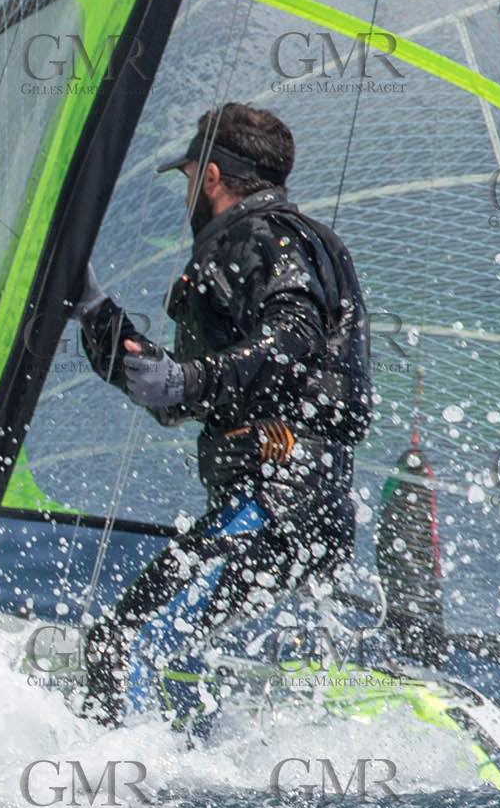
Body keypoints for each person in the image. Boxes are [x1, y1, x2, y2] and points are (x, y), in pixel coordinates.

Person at [73, 102, 372, 728]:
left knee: (122, 644)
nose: (186, 193)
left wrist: (188, 378)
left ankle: (112, 778)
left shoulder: (264, 236)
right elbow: (182, 395)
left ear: (210, 176)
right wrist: (96, 315)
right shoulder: (261, 247)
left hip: (278, 502)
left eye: (187, 178)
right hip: (294, 508)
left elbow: (292, 336)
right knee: (141, 644)